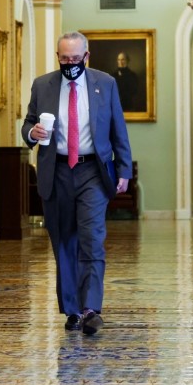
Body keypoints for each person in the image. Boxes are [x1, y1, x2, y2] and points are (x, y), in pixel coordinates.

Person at [22, 31, 132, 336]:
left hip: (92, 172)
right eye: (64, 58)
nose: (69, 63)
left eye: (75, 58)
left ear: (87, 56)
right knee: (64, 242)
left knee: (91, 238)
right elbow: (28, 123)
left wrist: (124, 170)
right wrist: (33, 134)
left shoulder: (105, 84)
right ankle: (71, 309)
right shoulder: (42, 85)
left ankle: (90, 309)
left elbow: (117, 128)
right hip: (55, 171)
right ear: (58, 56)